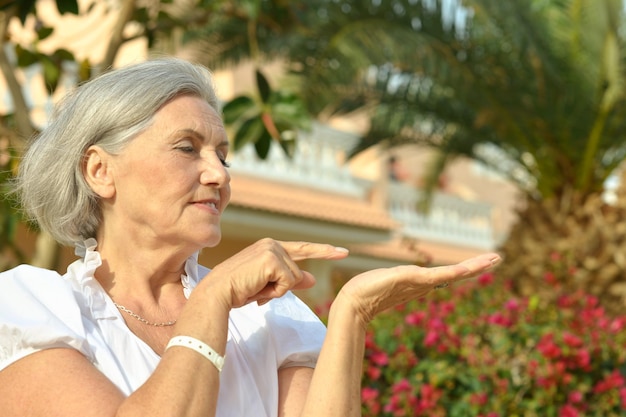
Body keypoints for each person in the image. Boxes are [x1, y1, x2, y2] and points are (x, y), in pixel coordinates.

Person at [0, 57, 500, 417]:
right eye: (187, 148)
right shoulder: (29, 308)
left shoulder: (269, 315)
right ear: (100, 170)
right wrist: (213, 298)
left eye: (223, 154)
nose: (218, 173)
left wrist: (352, 312)